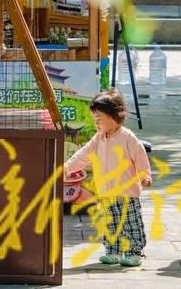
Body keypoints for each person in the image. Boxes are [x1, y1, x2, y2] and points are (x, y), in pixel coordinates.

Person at [65, 89, 152, 266]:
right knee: (110, 224)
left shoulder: (128, 138)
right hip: (105, 192)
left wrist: (145, 176)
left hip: (127, 192)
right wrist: (67, 167)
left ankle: (134, 252)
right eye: (94, 120)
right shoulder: (98, 139)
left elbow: (140, 158)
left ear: (115, 116)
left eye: (99, 119)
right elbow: (84, 154)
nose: (96, 123)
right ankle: (113, 251)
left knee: (131, 223)